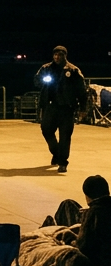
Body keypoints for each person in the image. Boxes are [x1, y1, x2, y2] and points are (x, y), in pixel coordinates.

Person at [35, 45, 87, 173]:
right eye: (55, 55)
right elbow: (36, 80)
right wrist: (43, 81)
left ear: (65, 56)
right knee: (46, 130)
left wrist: (83, 108)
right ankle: (56, 153)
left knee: (65, 136)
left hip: (67, 108)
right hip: (50, 106)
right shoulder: (46, 68)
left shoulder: (73, 70)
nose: (57, 57)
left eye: (60, 55)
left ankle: (63, 162)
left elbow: (81, 91)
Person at [51, 174, 111, 266]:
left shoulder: (93, 213)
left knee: (66, 206)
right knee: (68, 203)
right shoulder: (97, 210)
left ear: (87, 196)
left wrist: (70, 240)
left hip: (100, 262)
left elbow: (83, 247)